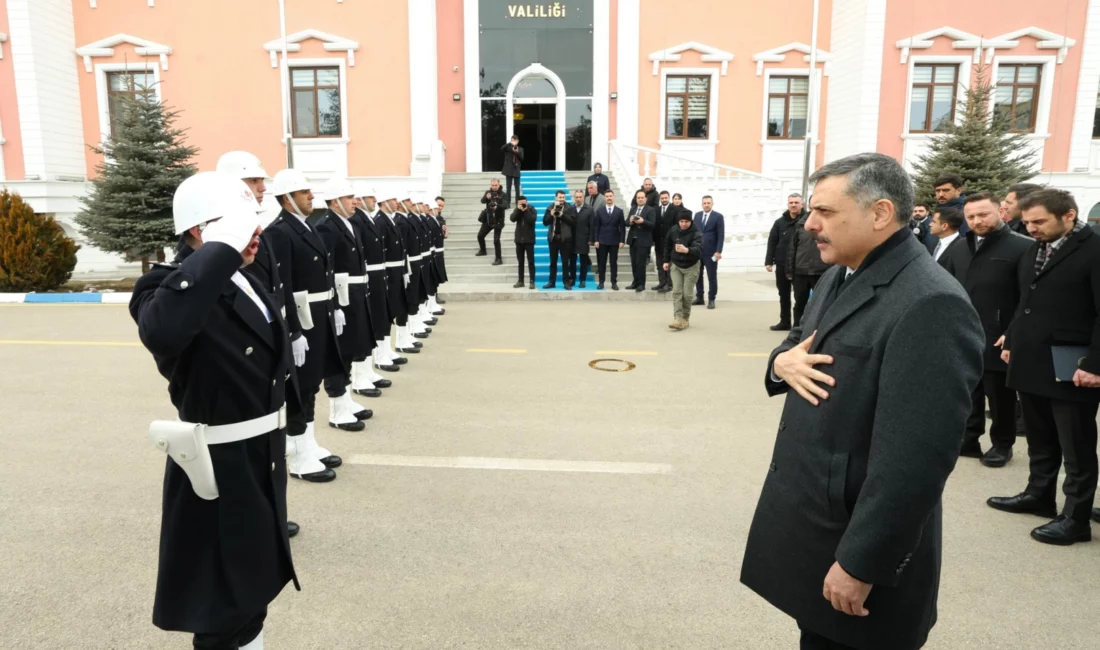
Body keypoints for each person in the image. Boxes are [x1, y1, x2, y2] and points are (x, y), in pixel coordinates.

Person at [742, 153, 984, 650]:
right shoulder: (844, 270)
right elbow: (798, 343)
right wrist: (778, 364)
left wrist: (862, 563)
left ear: (879, 214)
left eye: (826, 212)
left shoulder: (930, 304)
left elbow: (914, 462)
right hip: (818, 529)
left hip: (858, 555)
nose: (810, 224)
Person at [131, 171, 301, 650]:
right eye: (242, 227)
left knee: (253, 588)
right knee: (223, 602)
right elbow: (163, 330)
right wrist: (220, 252)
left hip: (259, 455)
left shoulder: (246, 276)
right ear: (201, 232)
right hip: (218, 467)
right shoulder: (162, 286)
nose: (256, 237)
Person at [991, 188, 1100, 546]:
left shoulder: (1094, 249)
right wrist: (1011, 337)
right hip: (1031, 356)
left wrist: (1095, 363)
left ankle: (1076, 517)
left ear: (1069, 215)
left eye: (1039, 221)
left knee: (1076, 445)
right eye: (1026, 222)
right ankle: (1039, 495)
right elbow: (1027, 298)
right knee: (1039, 437)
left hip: (1073, 363)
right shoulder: (1036, 247)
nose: (1032, 228)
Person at [215, 151, 303, 539]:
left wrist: (290, 335)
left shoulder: (260, 229)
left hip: (269, 351)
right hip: (242, 369)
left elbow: (273, 291)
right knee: (248, 454)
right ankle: (257, 523)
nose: (262, 189)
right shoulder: (218, 249)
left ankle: (270, 516)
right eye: (254, 183)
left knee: (270, 451)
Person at [939, 192, 1032, 468]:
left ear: (1000, 212)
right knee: (968, 391)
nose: (977, 221)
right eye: (971, 217)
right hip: (963, 332)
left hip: (998, 334)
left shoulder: (1022, 247)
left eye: (984, 214)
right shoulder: (959, 247)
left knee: (999, 394)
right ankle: (968, 439)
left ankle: (1002, 444)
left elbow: (1029, 295)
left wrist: (1013, 331)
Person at [264, 169, 342, 482]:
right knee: (300, 388)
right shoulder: (280, 232)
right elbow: (283, 286)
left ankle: (307, 441)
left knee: (311, 383)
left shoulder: (304, 227)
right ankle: (297, 454)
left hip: (317, 315)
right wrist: (293, 331)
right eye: (303, 192)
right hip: (301, 320)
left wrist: (333, 307)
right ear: (287, 199)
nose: (311, 197)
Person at [314, 178, 377, 429]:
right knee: (339, 353)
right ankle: (337, 409)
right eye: (349, 197)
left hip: (356, 293)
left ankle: (347, 400)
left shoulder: (347, 224)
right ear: (335, 202)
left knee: (351, 349)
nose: (355, 201)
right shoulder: (327, 227)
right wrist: (336, 306)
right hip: (341, 297)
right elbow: (326, 269)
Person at [348, 186, 401, 377]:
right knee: (372, 322)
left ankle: (379, 357)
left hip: (378, 274)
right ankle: (372, 363)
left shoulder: (368, 218)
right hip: (368, 276)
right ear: (361, 200)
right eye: (370, 197)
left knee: (382, 317)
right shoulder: (357, 220)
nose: (374, 200)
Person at [375, 190, 419, 355]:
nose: (397, 203)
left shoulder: (390, 221)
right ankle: (385, 350)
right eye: (393, 200)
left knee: (400, 306)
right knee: (389, 312)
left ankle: (397, 343)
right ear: (385, 202)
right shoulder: (381, 221)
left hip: (397, 269)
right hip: (389, 272)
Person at [766, 194, 804, 330]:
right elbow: (772, 241)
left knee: (800, 297)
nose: (793, 205)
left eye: (796, 202)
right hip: (782, 264)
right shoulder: (779, 223)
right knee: (783, 294)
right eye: (791, 202)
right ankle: (785, 321)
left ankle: (799, 325)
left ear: (802, 204)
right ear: (788, 204)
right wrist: (769, 261)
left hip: (799, 265)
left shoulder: (806, 221)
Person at [663, 212, 703, 330]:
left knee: (687, 294)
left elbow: (699, 249)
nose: (684, 224)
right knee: (676, 292)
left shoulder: (696, 232)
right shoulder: (673, 230)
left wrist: (687, 250)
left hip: (692, 265)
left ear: (690, 222)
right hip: (676, 265)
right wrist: (666, 261)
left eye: (686, 221)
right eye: (681, 221)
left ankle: (685, 319)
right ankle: (677, 318)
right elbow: (667, 245)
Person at [693, 196, 724, 309]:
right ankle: (700, 297)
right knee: (698, 275)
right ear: (702, 204)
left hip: (711, 252)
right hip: (698, 251)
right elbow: (694, 233)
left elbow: (721, 235)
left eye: (708, 203)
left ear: (712, 204)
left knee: (711, 276)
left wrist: (718, 251)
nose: (706, 205)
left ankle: (711, 299)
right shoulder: (697, 216)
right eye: (704, 203)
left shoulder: (718, 217)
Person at [543, 190, 576, 290]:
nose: (561, 199)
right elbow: (545, 222)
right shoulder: (550, 207)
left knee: (565, 262)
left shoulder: (569, 208)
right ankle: (551, 282)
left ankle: (566, 282)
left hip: (565, 239)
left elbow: (573, 222)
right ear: (556, 198)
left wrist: (562, 215)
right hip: (553, 238)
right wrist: (551, 215)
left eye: (563, 197)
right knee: (553, 262)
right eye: (560, 197)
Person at [593, 189, 625, 290]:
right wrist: (596, 240)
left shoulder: (619, 211)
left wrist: (622, 240)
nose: (609, 198)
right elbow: (596, 226)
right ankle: (601, 282)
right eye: (607, 196)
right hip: (602, 241)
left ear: (613, 197)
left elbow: (622, 227)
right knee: (601, 263)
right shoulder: (599, 211)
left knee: (613, 263)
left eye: (611, 196)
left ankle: (614, 282)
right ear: (605, 198)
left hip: (614, 241)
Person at [624, 189, 656, 291]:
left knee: (640, 263)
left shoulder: (650, 210)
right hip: (633, 240)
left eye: (642, 197)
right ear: (636, 199)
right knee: (634, 262)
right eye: (638, 198)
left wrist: (642, 221)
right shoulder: (633, 209)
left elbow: (652, 225)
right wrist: (630, 222)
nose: (640, 199)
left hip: (644, 241)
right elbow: (626, 222)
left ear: (645, 199)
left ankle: (641, 284)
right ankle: (635, 282)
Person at [476, 179, 506, 265]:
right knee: (480, 235)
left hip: (499, 220)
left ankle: (499, 258)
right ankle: (483, 250)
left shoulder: (503, 194)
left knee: (496, 240)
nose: (494, 187)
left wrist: (498, 206)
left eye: (496, 185)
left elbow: (506, 205)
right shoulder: (488, 192)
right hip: (488, 219)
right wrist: (486, 197)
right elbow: (482, 201)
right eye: (492, 185)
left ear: (499, 185)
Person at [510, 195, 537, 289]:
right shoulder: (516, 210)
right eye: (520, 203)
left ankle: (532, 281)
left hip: (529, 240)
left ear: (527, 202)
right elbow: (512, 219)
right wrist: (518, 210)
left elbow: (532, 220)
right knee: (520, 261)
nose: (522, 204)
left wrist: (525, 210)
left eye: (524, 203)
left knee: (531, 261)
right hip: (519, 240)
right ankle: (520, 281)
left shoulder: (532, 209)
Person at [652, 191, 676, 293]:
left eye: (666, 198)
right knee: (659, 264)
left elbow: (676, 227)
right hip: (658, 242)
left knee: (669, 265)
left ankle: (669, 284)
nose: (664, 200)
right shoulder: (656, 210)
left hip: (670, 243)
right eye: (662, 198)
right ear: (660, 198)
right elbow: (655, 226)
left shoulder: (674, 210)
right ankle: (662, 283)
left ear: (669, 198)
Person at [571, 189, 594, 288]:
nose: (578, 199)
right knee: (572, 261)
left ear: (583, 197)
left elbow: (592, 226)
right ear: (574, 198)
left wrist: (591, 239)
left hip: (584, 239)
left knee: (583, 262)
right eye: (576, 197)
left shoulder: (589, 209)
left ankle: (582, 280)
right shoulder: (570, 209)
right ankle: (572, 279)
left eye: (580, 197)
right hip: (572, 239)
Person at [500, 135, 523, 207]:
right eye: (513, 140)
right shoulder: (508, 148)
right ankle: (508, 203)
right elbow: (502, 148)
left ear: (518, 141)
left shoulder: (520, 149)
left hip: (516, 169)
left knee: (517, 188)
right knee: (508, 188)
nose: (514, 141)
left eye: (515, 140)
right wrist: (510, 143)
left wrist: (517, 152)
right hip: (509, 170)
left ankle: (517, 203)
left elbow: (522, 158)